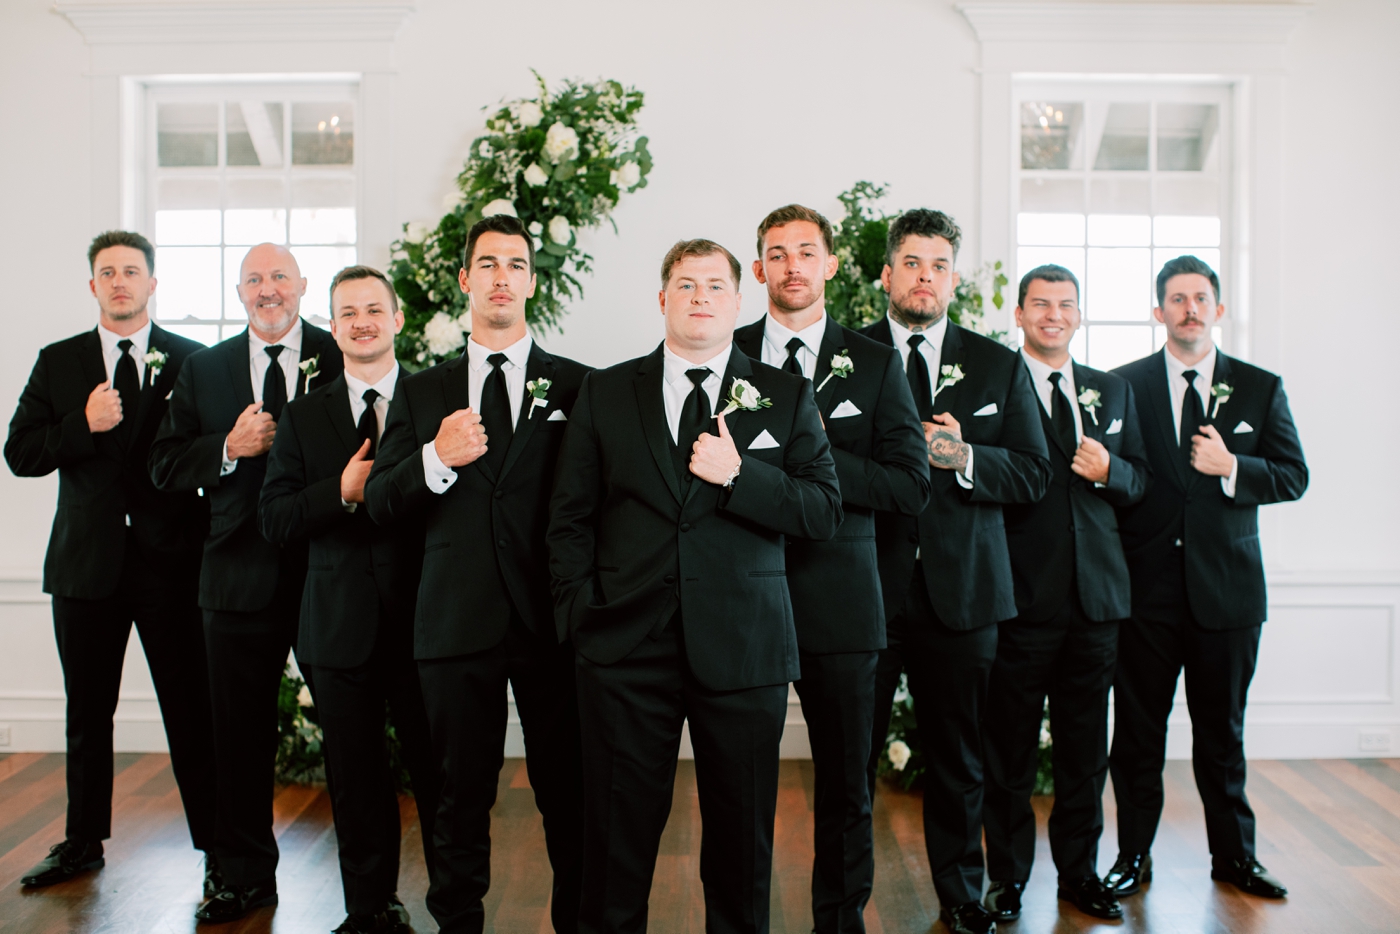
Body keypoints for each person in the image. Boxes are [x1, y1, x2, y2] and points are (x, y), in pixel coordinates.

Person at [547, 239, 842, 934]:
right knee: (615, 843)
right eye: (686, 285)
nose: (700, 297)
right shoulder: (605, 391)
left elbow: (823, 511)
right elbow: (569, 519)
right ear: (663, 299)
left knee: (742, 846)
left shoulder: (787, 396)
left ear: (739, 302)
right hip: (623, 649)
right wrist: (580, 614)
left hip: (744, 651)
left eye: (715, 286)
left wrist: (742, 475)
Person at [363, 215, 591, 934]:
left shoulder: (578, 386)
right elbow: (377, 501)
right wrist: (434, 457)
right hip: (455, 622)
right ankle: (457, 924)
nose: (501, 276)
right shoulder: (421, 392)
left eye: (515, 264)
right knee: (457, 797)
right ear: (466, 280)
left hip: (552, 624)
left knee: (569, 792)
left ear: (531, 280)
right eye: (487, 263)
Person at [733, 205, 929, 934]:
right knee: (741, 786)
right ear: (758, 271)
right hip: (746, 597)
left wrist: (808, 457)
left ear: (832, 265)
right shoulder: (726, 350)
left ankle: (839, 924)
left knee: (848, 785)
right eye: (777, 254)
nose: (791, 266)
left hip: (846, 604)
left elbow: (911, 486)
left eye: (806, 252)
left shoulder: (875, 363)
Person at [5, 231, 218, 895]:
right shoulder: (58, 361)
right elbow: (20, 453)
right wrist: (80, 423)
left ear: (152, 284)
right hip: (86, 566)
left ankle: (218, 850)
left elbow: (213, 449)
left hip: (173, 565)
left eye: (132, 271)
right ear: (92, 286)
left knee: (191, 711)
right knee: (86, 712)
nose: (120, 281)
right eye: (108, 272)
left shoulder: (192, 361)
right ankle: (81, 843)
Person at [862, 210, 1051, 934]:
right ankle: (840, 904)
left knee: (959, 759)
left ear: (954, 277)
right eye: (911, 263)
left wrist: (964, 457)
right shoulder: (847, 357)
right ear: (886, 273)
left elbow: (1034, 473)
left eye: (938, 265)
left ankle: (961, 896)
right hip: (866, 590)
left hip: (966, 595)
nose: (924, 277)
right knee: (851, 764)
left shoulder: (998, 363)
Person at [149, 242, 342, 923]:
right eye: (255, 279)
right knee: (235, 738)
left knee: (349, 733)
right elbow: (165, 466)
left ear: (302, 287)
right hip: (235, 577)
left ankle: (368, 891)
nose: (269, 289)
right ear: (239, 293)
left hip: (329, 573)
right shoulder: (204, 371)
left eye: (280, 277)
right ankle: (241, 876)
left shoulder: (341, 352)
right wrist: (227, 449)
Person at [1105, 255, 1307, 900]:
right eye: (1176, 298)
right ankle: (1133, 857)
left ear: (1218, 309)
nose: (1189, 308)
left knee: (1223, 739)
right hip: (1144, 596)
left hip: (1228, 595)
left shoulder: (1260, 386)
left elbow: (1293, 476)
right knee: (1137, 737)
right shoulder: (1121, 385)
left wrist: (1232, 467)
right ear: (1158, 312)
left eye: (1200, 298)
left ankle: (1235, 860)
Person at [258, 265, 441, 934]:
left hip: (427, 624)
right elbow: (274, 518)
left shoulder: (436, 401)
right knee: (356, 782)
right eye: (347, 312)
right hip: (338, 628)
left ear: (397, 321)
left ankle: (455, 906)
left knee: (438, 775)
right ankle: (368, 910)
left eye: (374, 309)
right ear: (332, 329)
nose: (361, 320)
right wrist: (339, 490)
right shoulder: (303, 417)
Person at [979, 265, 1150, 924]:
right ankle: (1008, 880)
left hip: (1098, 602)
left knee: (1085, 752)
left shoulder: (1112, 391)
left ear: (1079, 316)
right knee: (1011, 752)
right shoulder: (995, 385)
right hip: (1020, 598)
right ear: (1019, 314)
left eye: (1065, 305)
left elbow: (1141, 483)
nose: (1053, 315)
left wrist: (1112, 471)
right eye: (1041, 304)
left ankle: (1079, 874)